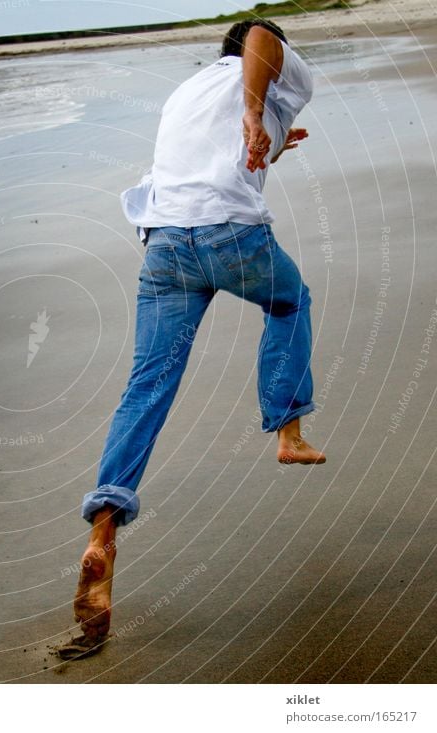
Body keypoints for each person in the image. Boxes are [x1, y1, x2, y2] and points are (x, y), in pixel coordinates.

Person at [64, 19, 327, 657]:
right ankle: (288, 431)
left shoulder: (185, 93)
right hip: (228, 236)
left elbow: (213, 158)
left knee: (147, 385)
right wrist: (256, 111)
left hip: (165, 245)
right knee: (290, 300)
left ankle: (103, 532)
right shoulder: (264, 67)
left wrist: (271, 140)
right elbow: (261, 33)